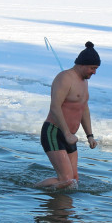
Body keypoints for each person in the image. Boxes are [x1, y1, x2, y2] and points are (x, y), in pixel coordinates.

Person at [36, 41, 100, 189]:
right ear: (83, 64)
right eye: (92, 68)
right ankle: (29, 190)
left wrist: (89, 135)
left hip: (69, 136)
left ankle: (66, 211)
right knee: (66, 180)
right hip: (54, 132)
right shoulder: (64, 78)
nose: (94, 72)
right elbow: (55, 107)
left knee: (74, 180)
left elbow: (83, 108)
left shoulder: (84, 81)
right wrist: (66, 133)